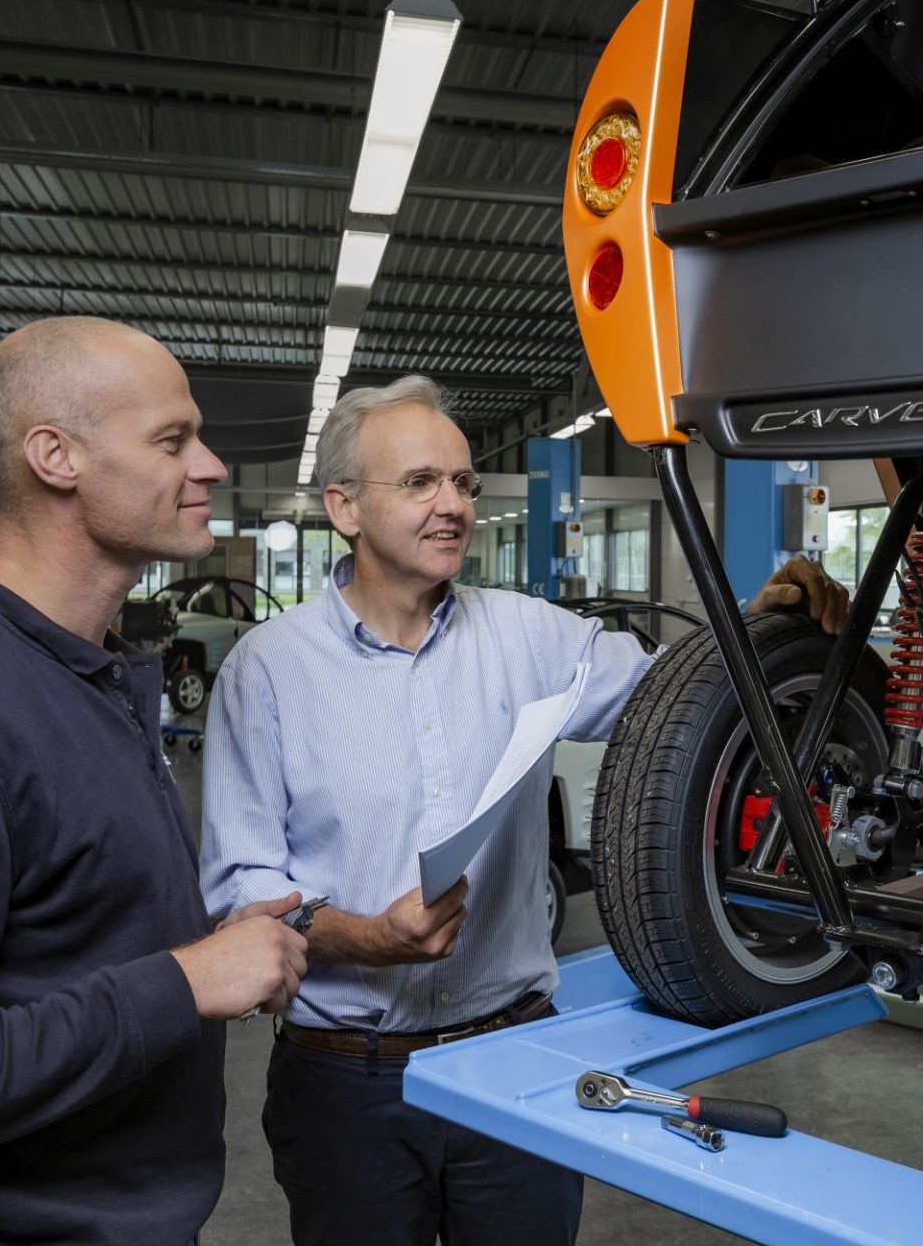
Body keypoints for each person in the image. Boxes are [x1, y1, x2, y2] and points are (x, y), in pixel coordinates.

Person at [201, 376, 848, 1246]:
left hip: (515, 1063)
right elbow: (243, 890)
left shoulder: (531, 635)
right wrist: (366, 936)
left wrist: (758, 623)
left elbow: (675, 689)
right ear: (344, 507)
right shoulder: (268, 669)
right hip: (346, 1085)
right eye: (422, 482)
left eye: (464, 483)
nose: (453, 505)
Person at [0, 317, 310, 1245]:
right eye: (172, 439)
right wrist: (182, 982)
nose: (213, 466)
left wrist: (202, 944)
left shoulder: (84, 677)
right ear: (55, 456)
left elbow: (56, 942)